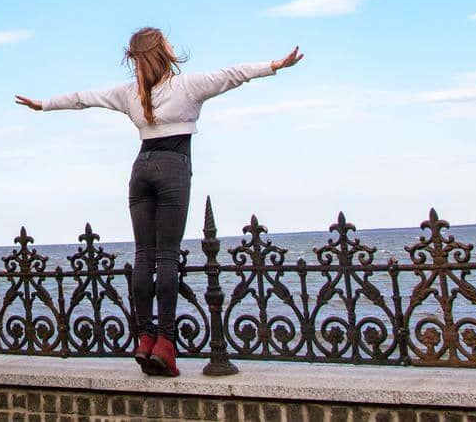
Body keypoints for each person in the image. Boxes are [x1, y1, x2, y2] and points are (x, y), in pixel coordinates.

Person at [15, 27, 302, 377]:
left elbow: (83, 97)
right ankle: (165, 343)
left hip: (141, 169)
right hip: (172, 167)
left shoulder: (129, 93)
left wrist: (44, 104)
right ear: (162, 50)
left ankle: (144, 337)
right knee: (166, 256)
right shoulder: (187, 85)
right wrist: (275, 65)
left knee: (143, 255)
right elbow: (233, 75)